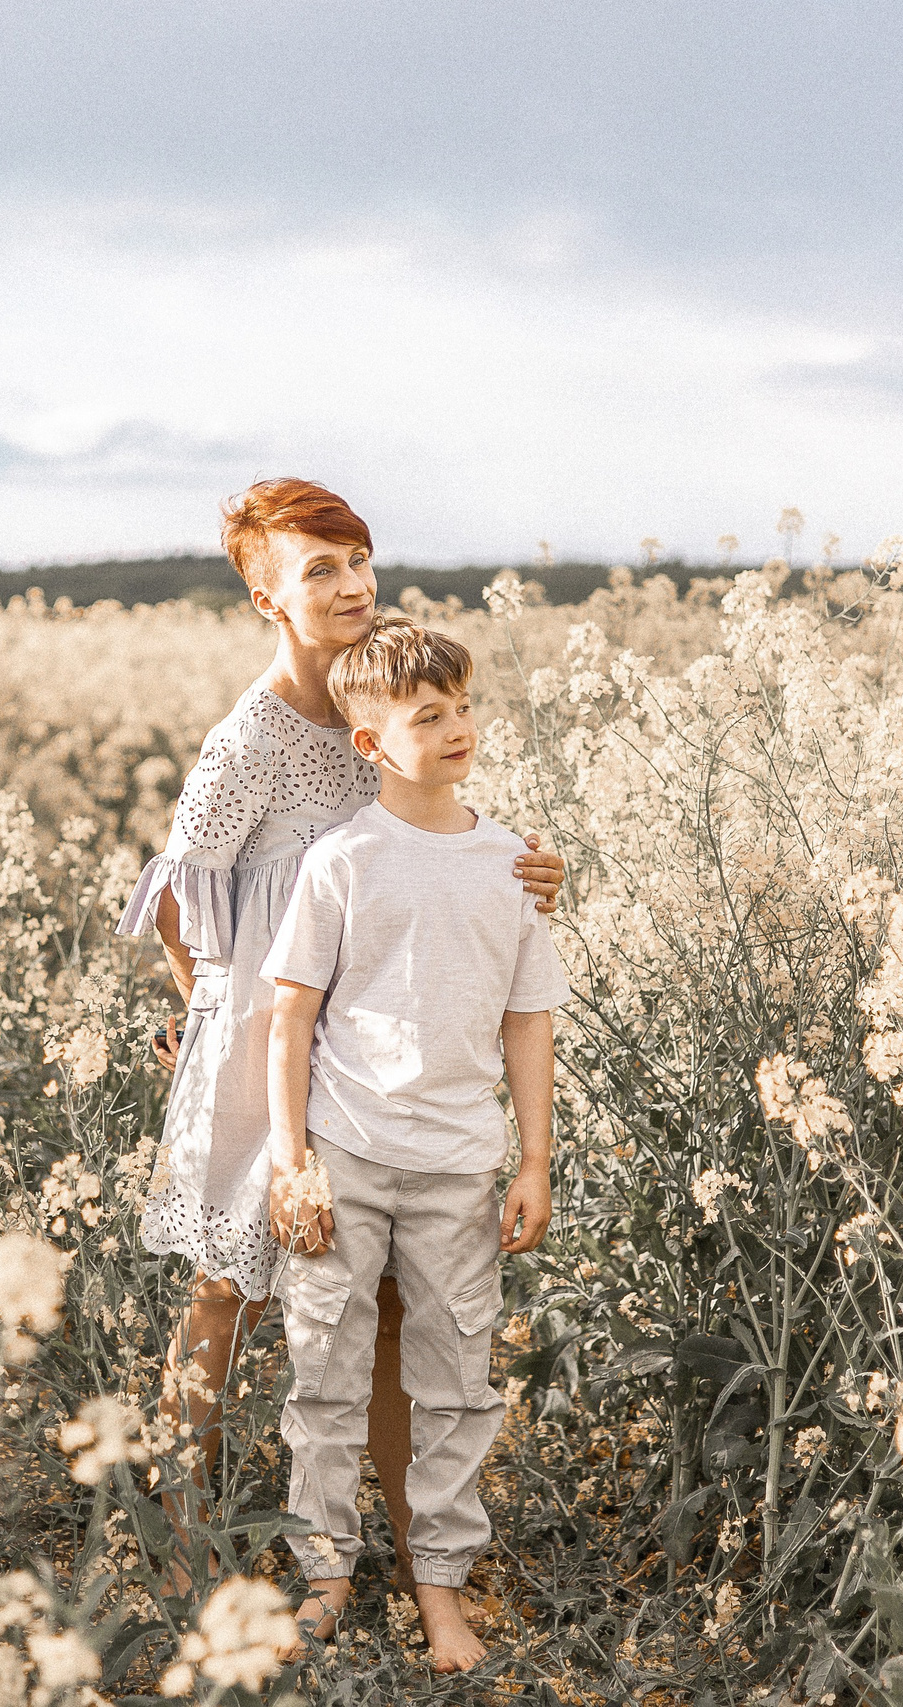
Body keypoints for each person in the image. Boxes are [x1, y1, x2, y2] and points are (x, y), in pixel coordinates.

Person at [118, 479, 563, 1586]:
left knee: (388, 1293)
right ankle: (180, 1536)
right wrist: (207, 1011)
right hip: (262, 1037)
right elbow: (174, 894)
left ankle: (411, 1549)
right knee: (229, 1289)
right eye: (320, 568)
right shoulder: (249, 739)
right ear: (268, 598)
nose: (353, 583)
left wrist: (530, 872)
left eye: (358, 558)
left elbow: (431, 837)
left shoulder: (385, 696)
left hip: (370, 1046)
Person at [259, 617, 567, 1673]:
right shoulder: (342, 859)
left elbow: (528, 1017)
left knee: (458, 1382)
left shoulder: (512, 863)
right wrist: (291, 1161)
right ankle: (325, 1577)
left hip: (459, 1164)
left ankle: (441, 1589)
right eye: (427, 716)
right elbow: (291, 1016)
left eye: (463, 708)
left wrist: (534, 1158)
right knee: (324, 1373)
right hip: (343, 1155)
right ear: (371, 744)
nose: (456, 729)